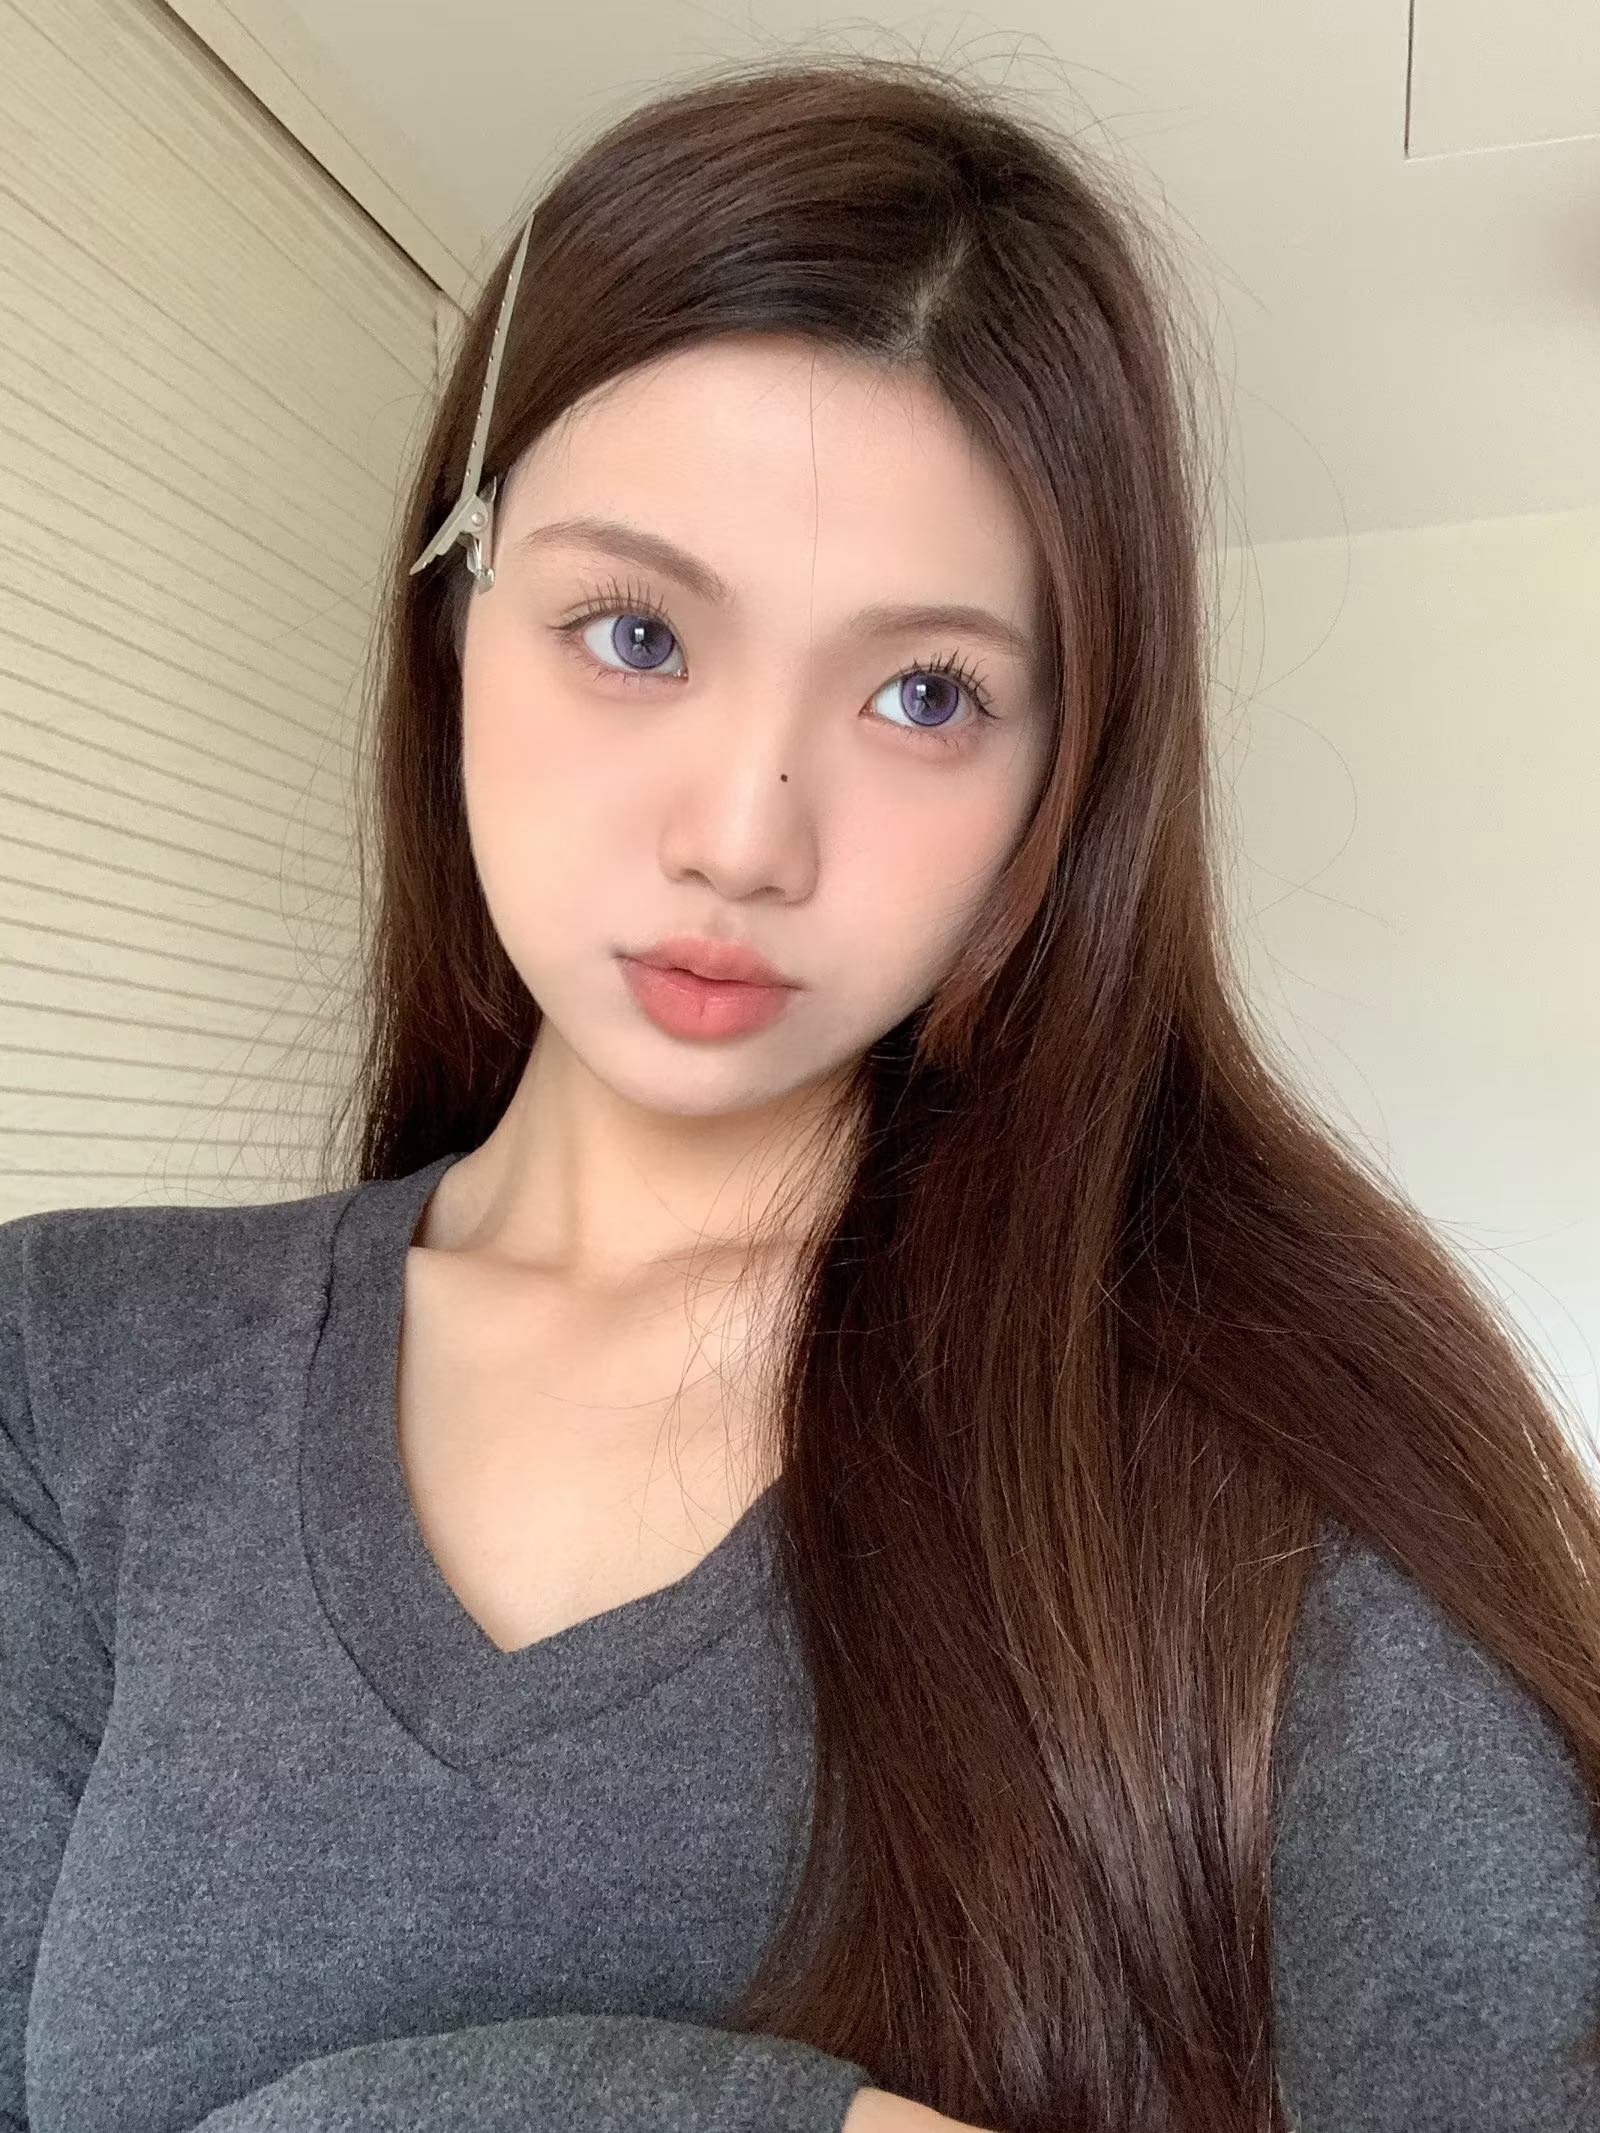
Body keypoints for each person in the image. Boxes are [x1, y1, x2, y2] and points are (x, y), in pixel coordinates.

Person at [3, 50, 1598, 2133]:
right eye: (634, 633)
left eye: (924, 694)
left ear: (1060, 784)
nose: (746, 836)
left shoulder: (1250, 1453)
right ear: (455, 611)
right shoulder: (73, 1375)